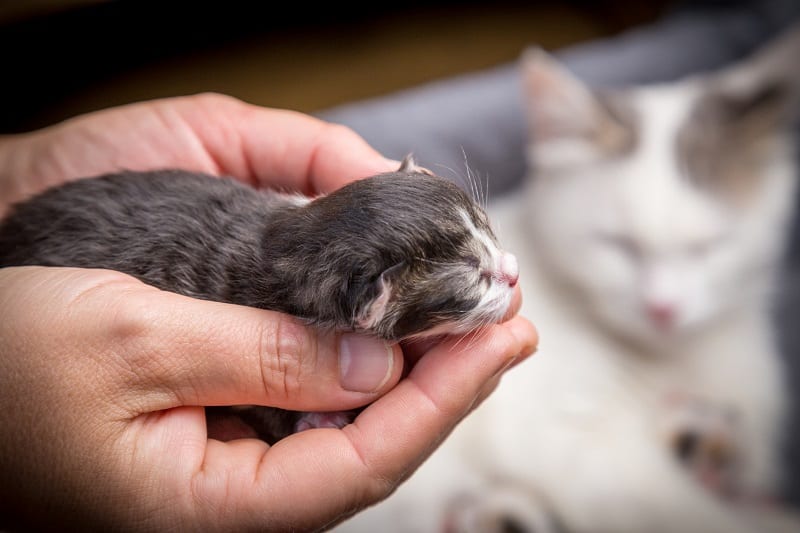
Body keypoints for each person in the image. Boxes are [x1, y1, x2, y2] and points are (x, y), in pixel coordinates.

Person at [0, 93, 538, 531]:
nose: (509, 270)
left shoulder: (313, 243)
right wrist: (303, 416)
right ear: (372, 305)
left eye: (484, 237)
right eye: (475, 277)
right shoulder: (275, 292)